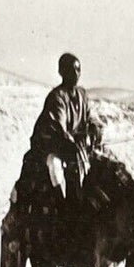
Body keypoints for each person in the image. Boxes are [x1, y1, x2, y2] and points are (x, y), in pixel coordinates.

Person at [29, 53, 94, 204]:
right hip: (55, 147)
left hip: (76, 146)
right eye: (71, 70)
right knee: (55, 166)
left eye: (78, 70)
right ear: (62, 72)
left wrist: (95, 129)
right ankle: (62, 206)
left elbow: (91, 117)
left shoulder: (82, 95)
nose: (76, 74)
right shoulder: (57, 97)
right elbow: (60, 127)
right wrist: (72, 140)